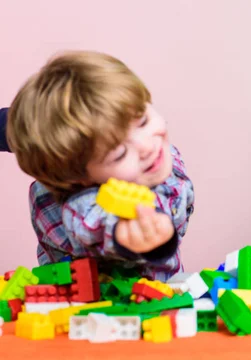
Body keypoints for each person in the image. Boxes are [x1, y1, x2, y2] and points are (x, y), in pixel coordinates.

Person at [5, 51, 194, 281]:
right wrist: (131, 236)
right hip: (103, 311)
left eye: (142, 120)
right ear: (79, 178)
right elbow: (96, 222)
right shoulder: (84, 205)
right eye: (120, 153)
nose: (146, 145)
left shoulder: (151, 157)